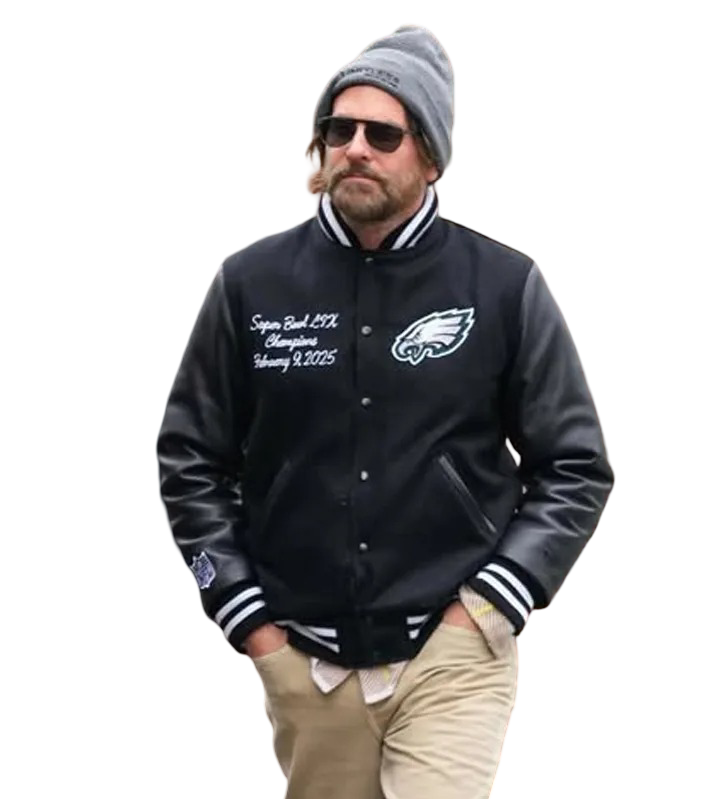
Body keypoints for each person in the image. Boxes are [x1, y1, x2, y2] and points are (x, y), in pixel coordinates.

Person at [157, 25, 614, 799]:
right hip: (307, 663)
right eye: (339, 131)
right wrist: (249, 621)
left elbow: (574, 465)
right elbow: (190, 459)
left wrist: (492, 604)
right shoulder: (251, 285)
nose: (356, 149)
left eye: (383, 134)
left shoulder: (503, 286)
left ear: (430, 156)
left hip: (454, 654)